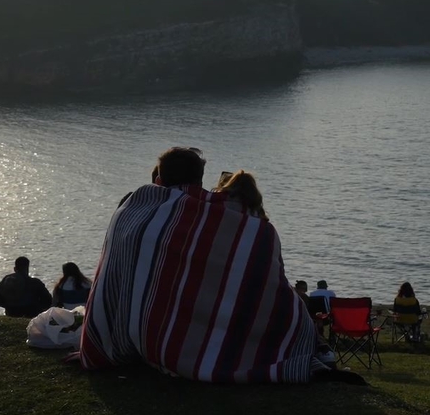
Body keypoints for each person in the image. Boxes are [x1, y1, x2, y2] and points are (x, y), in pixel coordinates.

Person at [73, 146, 332, 384]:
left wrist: (100, 343)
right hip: (215, 340)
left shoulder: (132, 211)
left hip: (140, 337)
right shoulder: (249, 228)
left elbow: (112, 280)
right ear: (200, 180)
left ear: (159, 179)